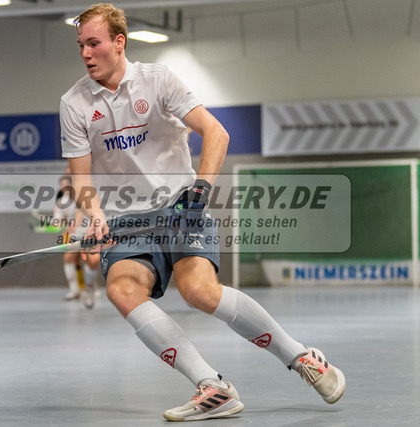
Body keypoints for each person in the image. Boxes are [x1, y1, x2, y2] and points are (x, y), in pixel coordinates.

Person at [60, 3, 345, 421]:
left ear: (119, 42)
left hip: (180, 208)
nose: (86, 53)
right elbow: (81, 178)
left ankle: (301, 357)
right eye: (81, 45)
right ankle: (212, 386)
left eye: (94, 43)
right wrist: (96, 219)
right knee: (122, 290)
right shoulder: (74, 102)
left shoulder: (158, 80)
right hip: (127, 219)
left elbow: (216, 132)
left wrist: (201, 190)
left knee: (199, 291)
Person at [53, 173, 101, 308]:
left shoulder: (80, 196)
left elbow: (80, 214)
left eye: (66, 185)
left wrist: (74, 225)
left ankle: (92, 287)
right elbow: (58, 220)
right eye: (62, 185)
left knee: (92, 260)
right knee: (68, 258)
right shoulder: (60, 202)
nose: (64, 187)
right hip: (72, 234)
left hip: (87, 231)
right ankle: (74, 290)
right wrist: (60, 224)